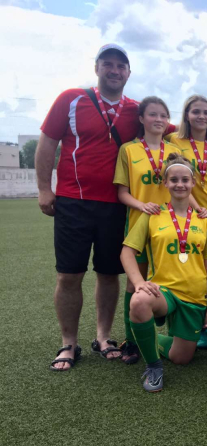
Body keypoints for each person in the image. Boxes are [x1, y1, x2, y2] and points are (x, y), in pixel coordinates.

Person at [39, 44, 135, 370]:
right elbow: (47, 142)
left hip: (115, 206)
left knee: (109, 274)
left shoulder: (136, 110)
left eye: (121, 66)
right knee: (69, 275)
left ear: (128, 73)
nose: (114, 70)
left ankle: (103, 337)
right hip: (73, 202)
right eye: (108, 64)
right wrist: (44, 188)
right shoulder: (71, 99)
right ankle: (69, 343)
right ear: (97, 68)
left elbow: (172, 128)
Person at [120, 154, 207, 392]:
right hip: (164, 291)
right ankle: (153, 366)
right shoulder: (153, 215)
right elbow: (127, 252)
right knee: (139, 300)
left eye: (185, 180)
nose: (180, 184)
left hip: (194, 296)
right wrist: (139, 282)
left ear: (193, 183)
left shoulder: (204, 221)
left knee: (181, 358)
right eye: (174, 180)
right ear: (165, 183)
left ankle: (153, 340)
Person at [113, 96, 186, 364]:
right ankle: (131, 341)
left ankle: (174, 334)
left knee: (171, 279)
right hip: (140, 222)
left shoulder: (174, 150)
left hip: (170, 227)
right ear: (141, 118)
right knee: (136, 283)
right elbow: (122, 192)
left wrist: (198, 209)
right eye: (153, 114)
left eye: (163, 115)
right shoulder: (128, 150)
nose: (158, 119)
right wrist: (142, 205)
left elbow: (185, 185)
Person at [167, 94, 207, 349]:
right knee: (194, 274)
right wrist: (196, 207)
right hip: (194, 216)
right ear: (187, 114)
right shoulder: (174, 141)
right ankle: (191, 326)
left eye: (206, 112)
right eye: (196, 111)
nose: (201, 116)